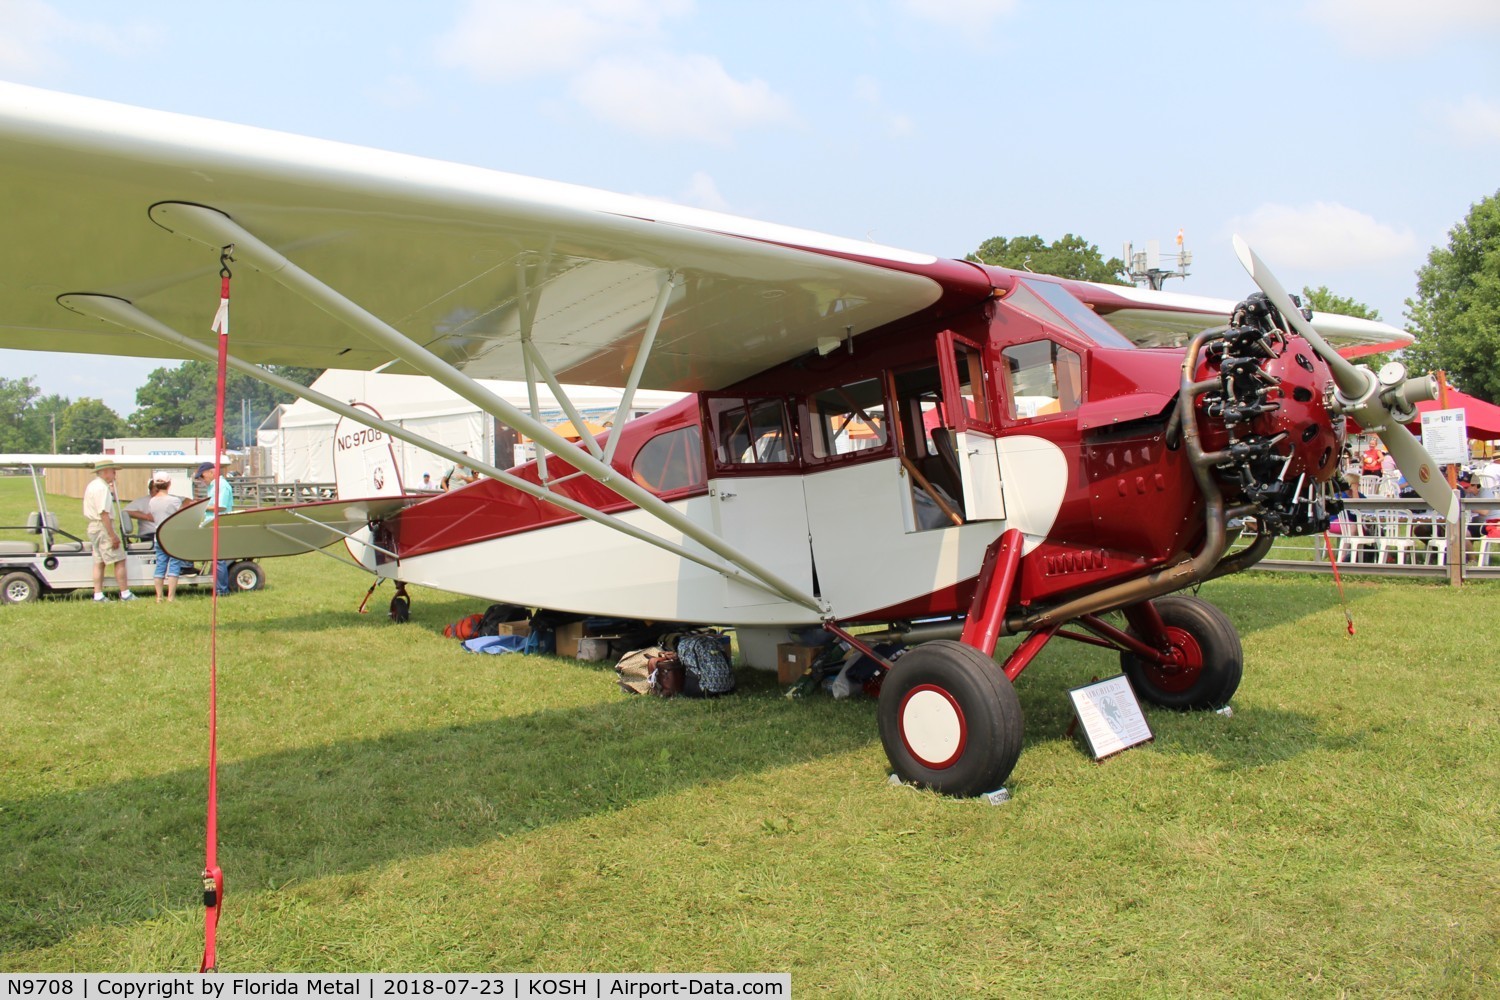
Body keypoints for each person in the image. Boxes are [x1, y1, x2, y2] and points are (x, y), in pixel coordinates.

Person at [82, 459, 136, 602]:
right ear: (105, 472)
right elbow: (103, 512)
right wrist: (112, 535)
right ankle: (125, 593)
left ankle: (98, 594)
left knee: (99, 561)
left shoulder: (92, 485)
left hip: (93, 526)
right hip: (102, 526)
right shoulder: (102, 488)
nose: (115, 473)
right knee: (119, 559)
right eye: (113, 471)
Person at [144, 477, 187, 602]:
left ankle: (159, 596)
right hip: (173, 536)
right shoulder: (174, 500)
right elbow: (180, 515)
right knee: (174, 565)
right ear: (169, 484)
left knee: (160, 565)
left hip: (158, 536)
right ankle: (171, 597)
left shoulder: (152, 501)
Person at [195, 462, 235, 595]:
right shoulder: (213, 486)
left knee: (218, 558)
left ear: (211, 472)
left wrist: (199, 507)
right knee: (216, 558)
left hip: (219, 524)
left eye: (202, 476)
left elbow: (221, 506)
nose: (202, 480)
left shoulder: (221, 485)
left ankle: (221, 589)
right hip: (212, 524)